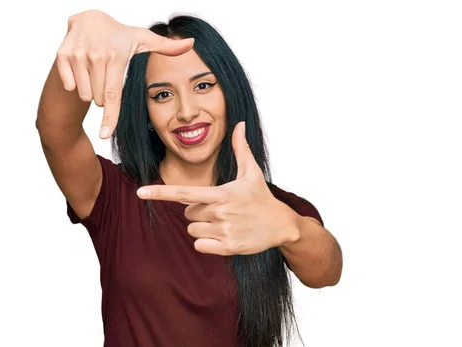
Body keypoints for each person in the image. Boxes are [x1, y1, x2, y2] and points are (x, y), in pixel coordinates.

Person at [36, 9, 343, 347]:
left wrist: (290, 228)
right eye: (162, 94)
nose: (186, 111)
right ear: (147, 112)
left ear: (230, 92)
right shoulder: (115, 196)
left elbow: (326, 272)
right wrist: (84, 43)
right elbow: (56, 132)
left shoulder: (269, 206)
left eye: (203, 85)